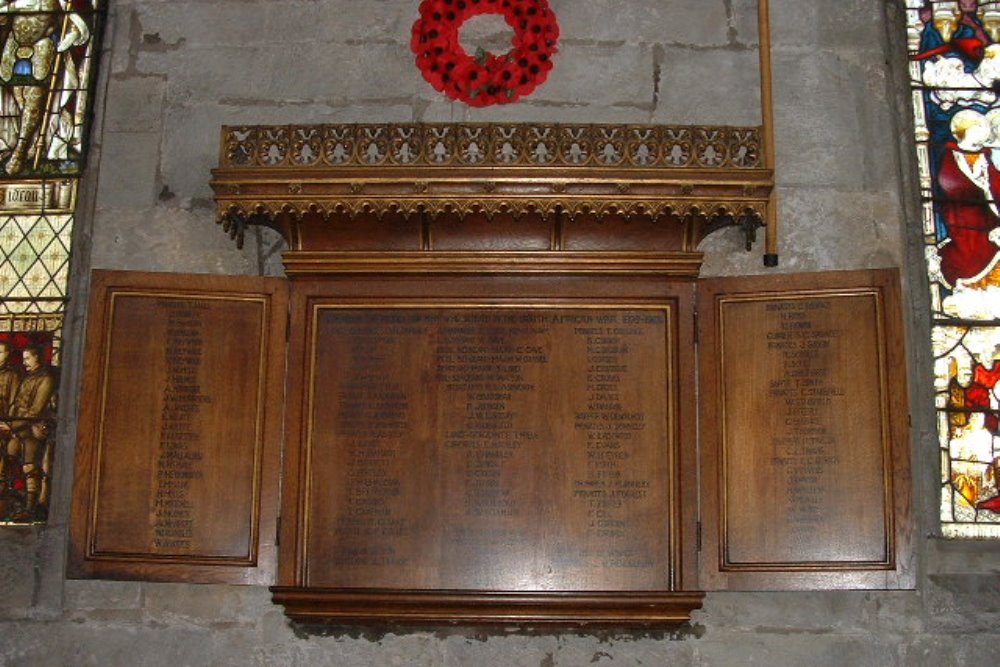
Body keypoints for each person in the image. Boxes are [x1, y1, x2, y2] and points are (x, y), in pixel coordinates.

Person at [0, 0, 90, 175]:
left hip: (43, 47)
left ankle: (20, 149)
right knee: (20, 101)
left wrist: (72, 36)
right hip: (13, 47)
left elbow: (78, 22)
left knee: (33, 101)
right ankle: (29, 144)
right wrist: (12, 7)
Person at [0, 343, 55, 519]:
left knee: (30, 466)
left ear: (37, 357)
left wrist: (12, 425)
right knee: (7, 455)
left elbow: (35, 411)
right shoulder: (28, 378)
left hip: (33, 429)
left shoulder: (46, 379)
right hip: (18, 429)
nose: (24, 362)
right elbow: (16, 405)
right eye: (23, 359)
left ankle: (31, 508)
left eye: (27, 358)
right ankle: (8, 501)